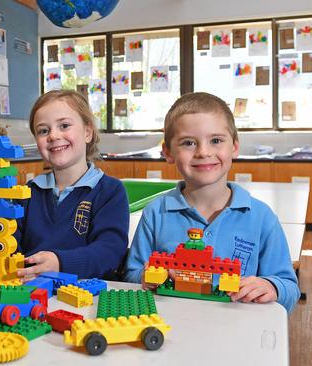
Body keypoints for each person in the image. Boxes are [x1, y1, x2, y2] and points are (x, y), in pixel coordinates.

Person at [123, 92, 299, 312]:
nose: (203, 152)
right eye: (188, 143)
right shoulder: (156, 213)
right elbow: (131, 275)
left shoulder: (261, 218)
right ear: (168, 153)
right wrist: (145, 276)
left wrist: (272, 286)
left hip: (237, 330)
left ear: (234, 147)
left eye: (216, 140)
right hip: (171, 326)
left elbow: (290, 289)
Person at [0, 90, 129, 280]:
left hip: (86, 298)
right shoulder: (28, 193)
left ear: (87, 132)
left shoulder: (110, 192)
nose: (53, 136)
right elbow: (10, 242)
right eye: (43, 130)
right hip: (30, 293)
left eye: (64, 125)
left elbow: (110, 251)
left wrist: (60, 263)